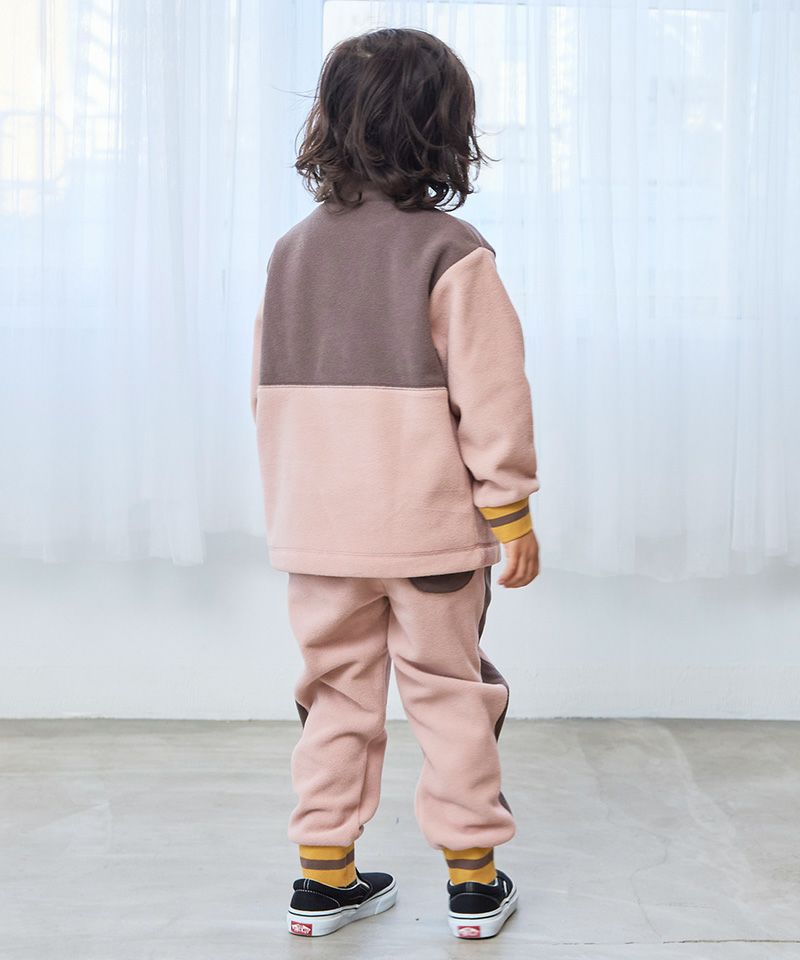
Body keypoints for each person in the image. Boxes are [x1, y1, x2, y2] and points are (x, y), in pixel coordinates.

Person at [250, 26, 540, 941]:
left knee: (334, 695)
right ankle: (473, 883)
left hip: (320, 534)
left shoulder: (292, 253)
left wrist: (296, 508)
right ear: (445, 130)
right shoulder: (454, 251)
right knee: (451, 693)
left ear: (330, 125)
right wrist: (509, 510)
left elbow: (266, 398)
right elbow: (493, 396)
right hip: (429, 537)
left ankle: (324, 878)